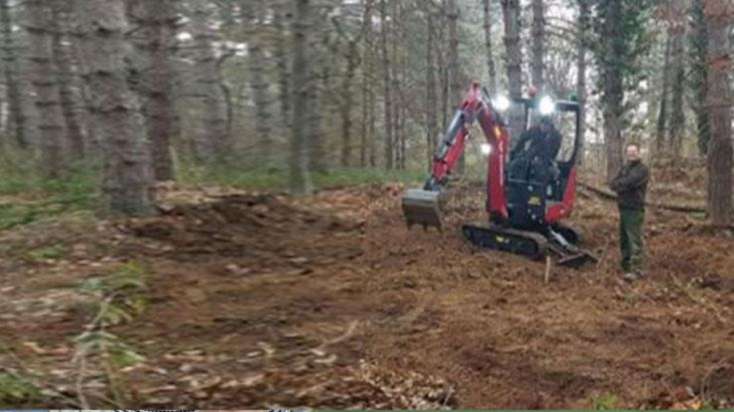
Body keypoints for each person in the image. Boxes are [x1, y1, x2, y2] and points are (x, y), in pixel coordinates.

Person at [610, 143, 649, 282]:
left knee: (634, 239)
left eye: (634, 152)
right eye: (629, 152)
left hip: (634, 208)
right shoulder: (625, 168)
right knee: (624, 239)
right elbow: (613, 183)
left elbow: (630, 182)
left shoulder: (642, 170)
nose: (631, 154)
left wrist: (621, 185)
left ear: (639, 153)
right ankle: (626, 266)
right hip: (623, 207)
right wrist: (621, 185)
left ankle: (637, 269)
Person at [508, 117, 562, 190]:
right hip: (530, 155)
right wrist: (516, 151)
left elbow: (554, 150)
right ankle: (513, 185)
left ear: (550, 126)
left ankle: (541, 190)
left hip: (545, 159)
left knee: (547, 172)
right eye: (542, 125)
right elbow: (523, 139)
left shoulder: (555, 135)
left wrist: (544, 158)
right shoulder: (534, 130)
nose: (544, 127)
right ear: (540, 124)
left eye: (546, 125)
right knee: (516, 164)